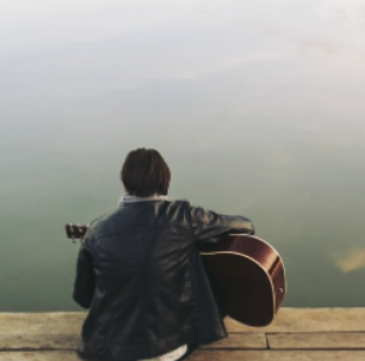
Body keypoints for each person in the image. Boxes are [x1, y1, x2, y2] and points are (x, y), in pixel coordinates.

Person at [73, 148, 254, 361]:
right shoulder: (184, 217)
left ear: (125, 182)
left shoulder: (97, 232)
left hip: (112, 352)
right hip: (171, 350)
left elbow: (83, 298)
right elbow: (245, 226)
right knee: (193, 249)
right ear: (165, 179)